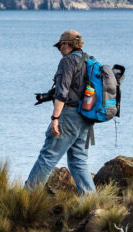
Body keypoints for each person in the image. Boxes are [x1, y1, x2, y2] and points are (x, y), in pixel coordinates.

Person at [26, 30, 95, 195]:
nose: (59, 49)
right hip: (85, 117)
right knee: (79, 162)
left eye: (60, 45)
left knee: (47, 157)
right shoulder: (89, 60)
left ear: (67, 44)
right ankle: (91, 202)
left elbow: (63, 93)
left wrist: (55, 118)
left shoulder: (67, 61)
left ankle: (27, 197)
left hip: (69, 115)